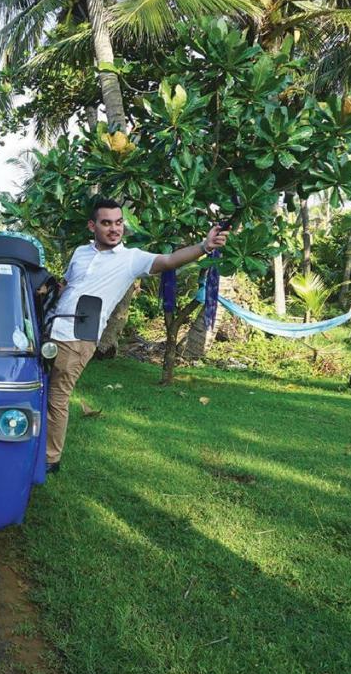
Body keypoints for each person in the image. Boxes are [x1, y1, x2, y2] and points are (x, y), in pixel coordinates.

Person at [45, 198, 230, 472]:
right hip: (50, 329)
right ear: (92, 226)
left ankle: (50, 459)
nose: (114, 229)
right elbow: (70, 285)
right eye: (106, 223)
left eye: (118, 222)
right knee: (37, 388)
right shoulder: (80, 253)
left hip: (79, 336)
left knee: (58, 396)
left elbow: (168, 260)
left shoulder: (131, 259)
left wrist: (204, 247)